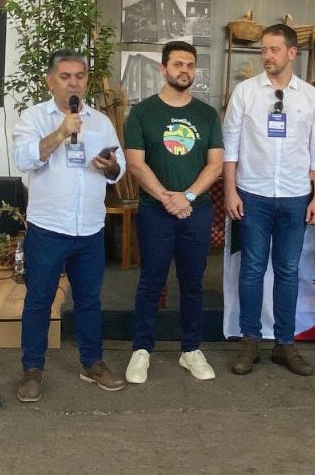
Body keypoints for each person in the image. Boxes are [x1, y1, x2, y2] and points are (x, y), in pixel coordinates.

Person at [12, 50, 126, 402]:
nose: (73, 83)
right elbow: (23, 159)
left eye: (80, 76)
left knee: (89, 300)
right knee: (39, 300)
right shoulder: (33, 117)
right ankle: (33, 369)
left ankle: (92, 363)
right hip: (48, 227)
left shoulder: (100, 122)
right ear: (50, 81)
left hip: (90, 228)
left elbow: (118, 169)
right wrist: (61, 132)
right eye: (65, 76)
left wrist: (109, 165)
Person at [223, 23, 315, 377]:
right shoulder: (245, 92)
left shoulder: (310, 97)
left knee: (288, 271)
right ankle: (250, 341)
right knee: (252, 269)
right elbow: (230, 147)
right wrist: (230, 190)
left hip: (295, 196)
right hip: (252, 194)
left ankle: (285, 343)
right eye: (264, 50)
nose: (266, 56)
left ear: (291, 52)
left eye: (274, 50)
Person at [123, 40, 223, 384]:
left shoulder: (207, 114)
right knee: (151, 280)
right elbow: (136, 164)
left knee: (193, 282)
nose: (185, 70)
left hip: (197, 211)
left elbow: (215, 164)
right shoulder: (142, 113)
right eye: (178, 64)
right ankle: (142, 349)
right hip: (155, 211)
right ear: (163, 68)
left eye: (190, 65)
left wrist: (188, 196)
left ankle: (190, 349)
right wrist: (168, 198)